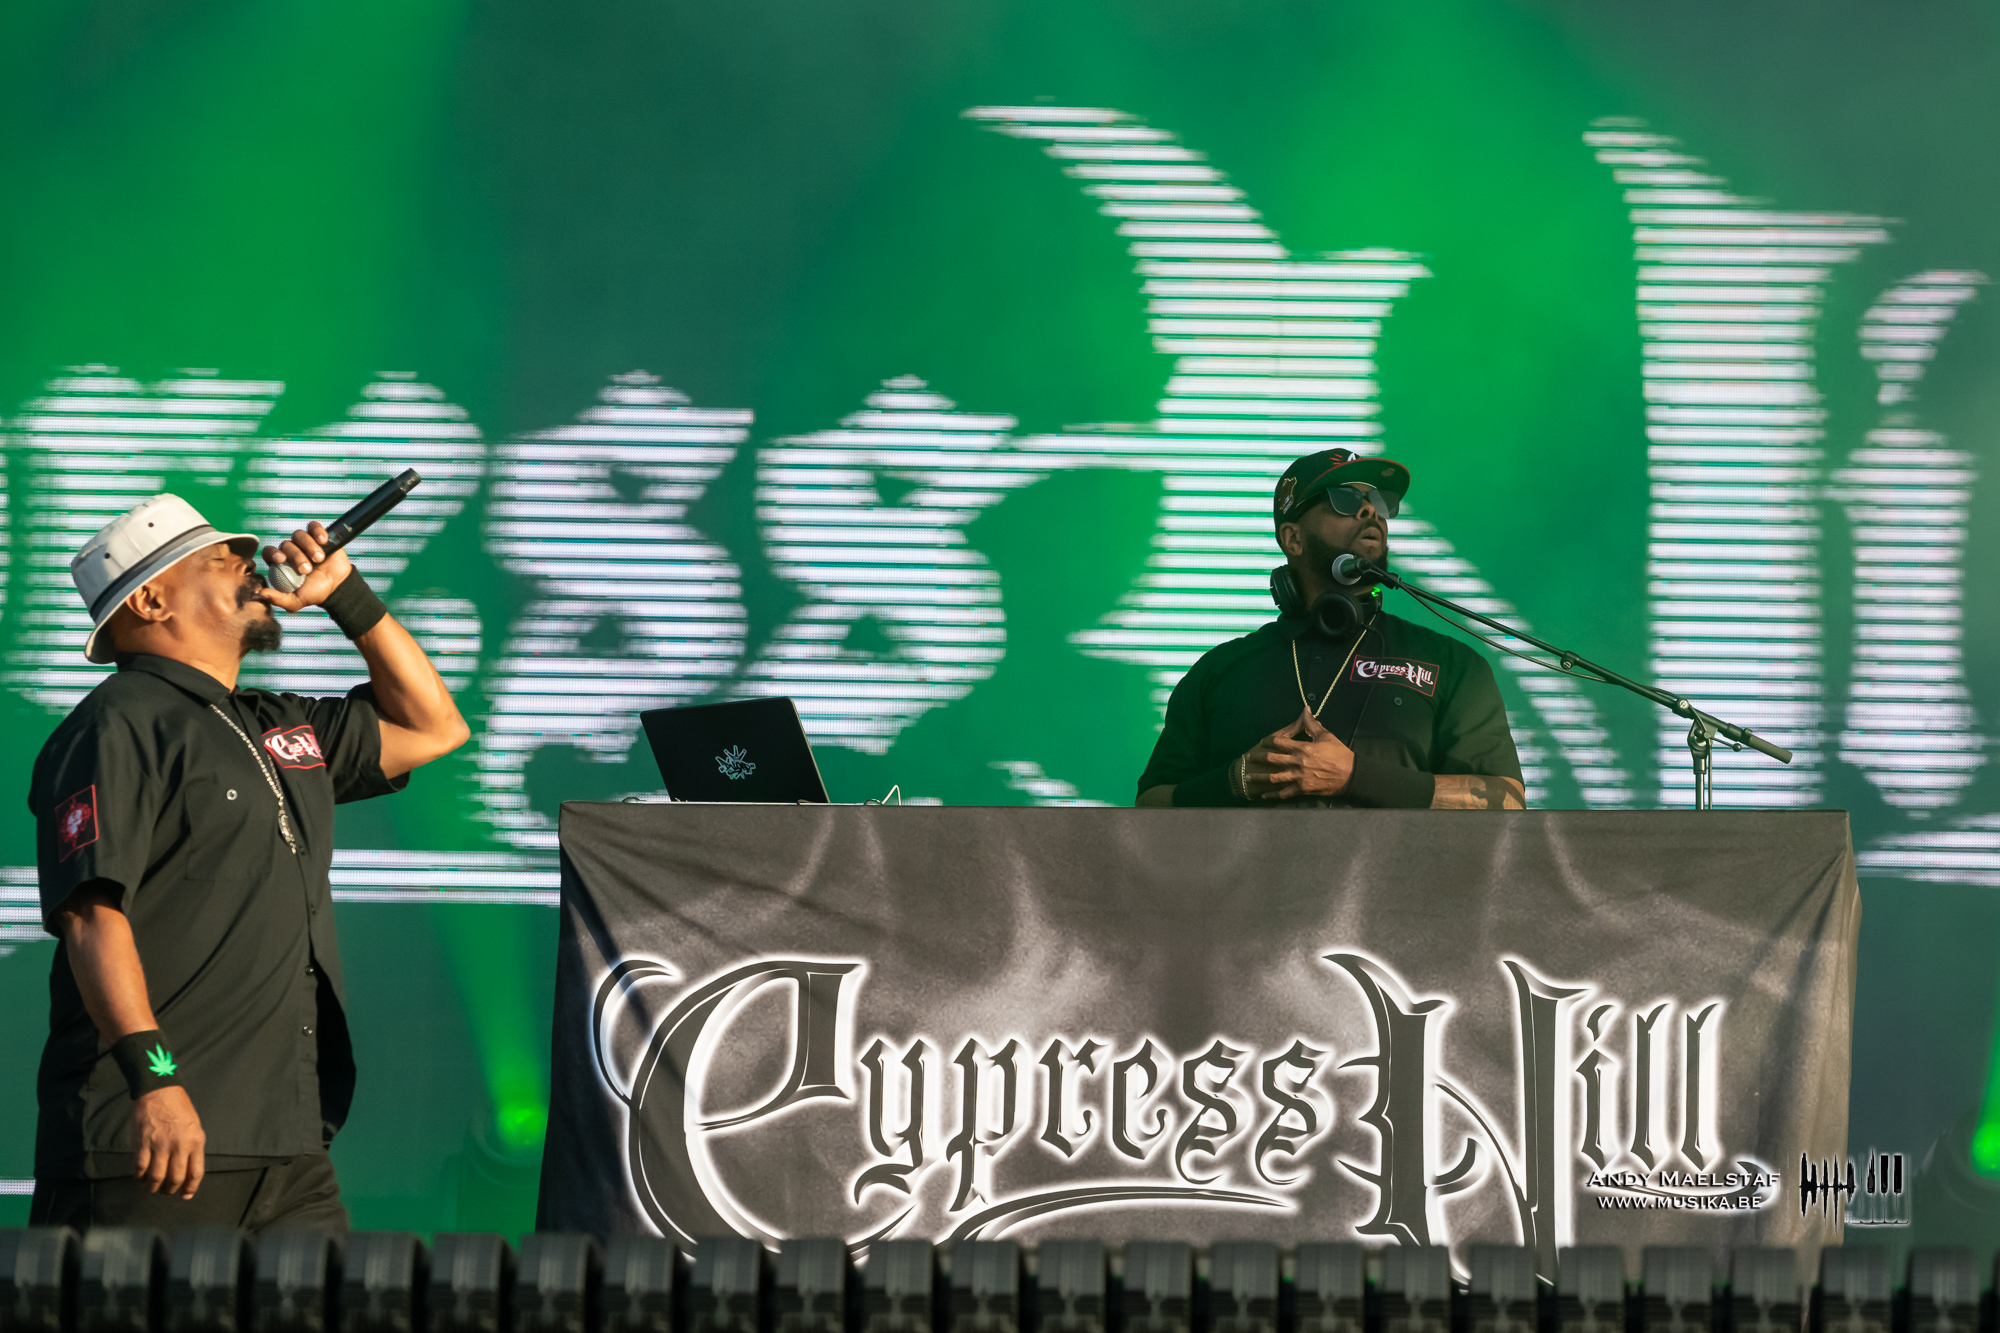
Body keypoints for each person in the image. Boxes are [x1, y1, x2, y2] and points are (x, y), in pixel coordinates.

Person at [27, 493, 470, 1233]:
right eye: (221, 558)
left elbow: (434, 727)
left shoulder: (274, 723)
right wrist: (155, 1082)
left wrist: (347, 595)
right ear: (151, 599)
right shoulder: (117, 723)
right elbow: (89, 916)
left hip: (286, 1145)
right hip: (154, 1138)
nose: (251, 564)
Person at [1136, 449, 1526, 810]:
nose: (1369, 511)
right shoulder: (1218, 672)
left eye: (1378, 502)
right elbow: (1150, 805)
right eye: (1344, 499)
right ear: (1293, 539)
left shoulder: (1451, 664)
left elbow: (1506, 801)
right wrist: (1233, 781)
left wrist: (1355, 776)